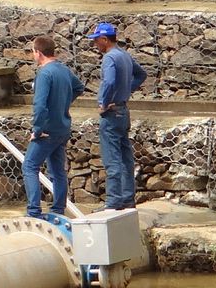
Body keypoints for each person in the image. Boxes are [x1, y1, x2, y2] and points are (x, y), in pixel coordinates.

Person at [23, 35, 84, 218]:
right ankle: (58, 209)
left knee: (29, 166)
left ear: (38, 53)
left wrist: (37, 130)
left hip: (47, 131)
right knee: (58, 171)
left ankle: (33, 211)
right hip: (63, 129)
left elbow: (39, 106)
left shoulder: (44, 73)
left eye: (33, 52)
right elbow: (79, 87)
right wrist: (63, 104)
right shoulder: (64, 70)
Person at [89, 22, 146, 210]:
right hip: (124, 111)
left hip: (112, 113)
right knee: (125, 156)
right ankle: (128, 198)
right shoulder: (124, 55)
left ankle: (113, 202)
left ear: (105, 39)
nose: (95, 44)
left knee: (112, 158)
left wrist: (103, 103)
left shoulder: (110, 58)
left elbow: (109, 81)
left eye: (97, 40)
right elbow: (141, 75)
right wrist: (126, 91)